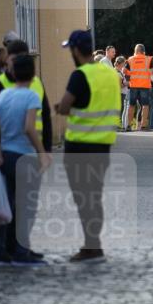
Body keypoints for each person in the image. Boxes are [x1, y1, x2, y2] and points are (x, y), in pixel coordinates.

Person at [55, 30, 122, 263]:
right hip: (102, 147)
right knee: (94, 195)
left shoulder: (79, 75)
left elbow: (65, 106)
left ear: (75, 50)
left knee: (83, 198)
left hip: (79, 148)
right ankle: (95, 244)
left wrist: (60, 108)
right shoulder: (109, 74)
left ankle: (91, 245)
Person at [0, 54, 52, 266]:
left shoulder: (3, 96)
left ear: (13, 73)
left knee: (4, 205)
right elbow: (29, 128)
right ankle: (22, 252)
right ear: (33, 75)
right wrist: (42, 152)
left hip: (4, 157)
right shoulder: (31, 97)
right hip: (25, 158)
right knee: (26, 207)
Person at [125, 44, 153, 131]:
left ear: (136, 51)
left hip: (133, 86)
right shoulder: (148, 59)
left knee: (131, 105)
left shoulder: (130, 59)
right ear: (143, 51)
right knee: (145, 106)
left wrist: (130, 77)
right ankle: (143, 126)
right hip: (144, 86)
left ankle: (128, 126)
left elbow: (125, 71)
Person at [114, 56, 129, 130]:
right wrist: (127, 84)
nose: (125, 65)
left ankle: (116, 125)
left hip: (121, 93)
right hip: (120, 93)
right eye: (124, 63)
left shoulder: (119, 71)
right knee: (119, 109)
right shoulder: (118, 73)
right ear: (121, 63)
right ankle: (116, 126)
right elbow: (119, 85)